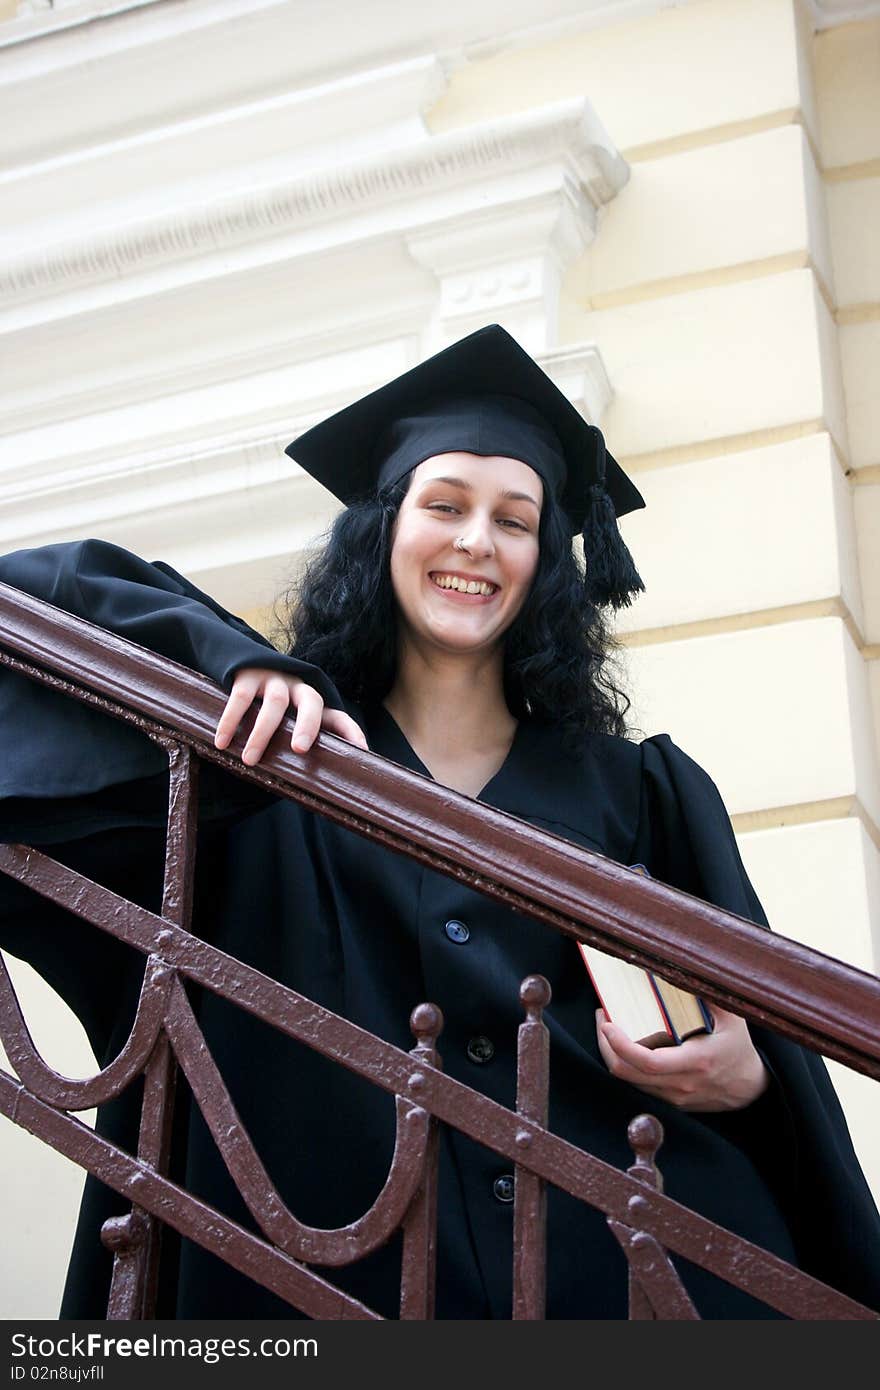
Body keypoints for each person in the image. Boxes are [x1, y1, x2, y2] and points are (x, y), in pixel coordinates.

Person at [0, 325, 878, 1320]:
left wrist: (747, 1074)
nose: (475, 541)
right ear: (386, 527)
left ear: (546, 556)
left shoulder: (638, 793)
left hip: (639, 1278)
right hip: (321, 1277)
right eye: (445, 504)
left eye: (515, 519)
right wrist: (220, 661)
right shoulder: (272, 763)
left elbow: (772, 1050)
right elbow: (35, 600)